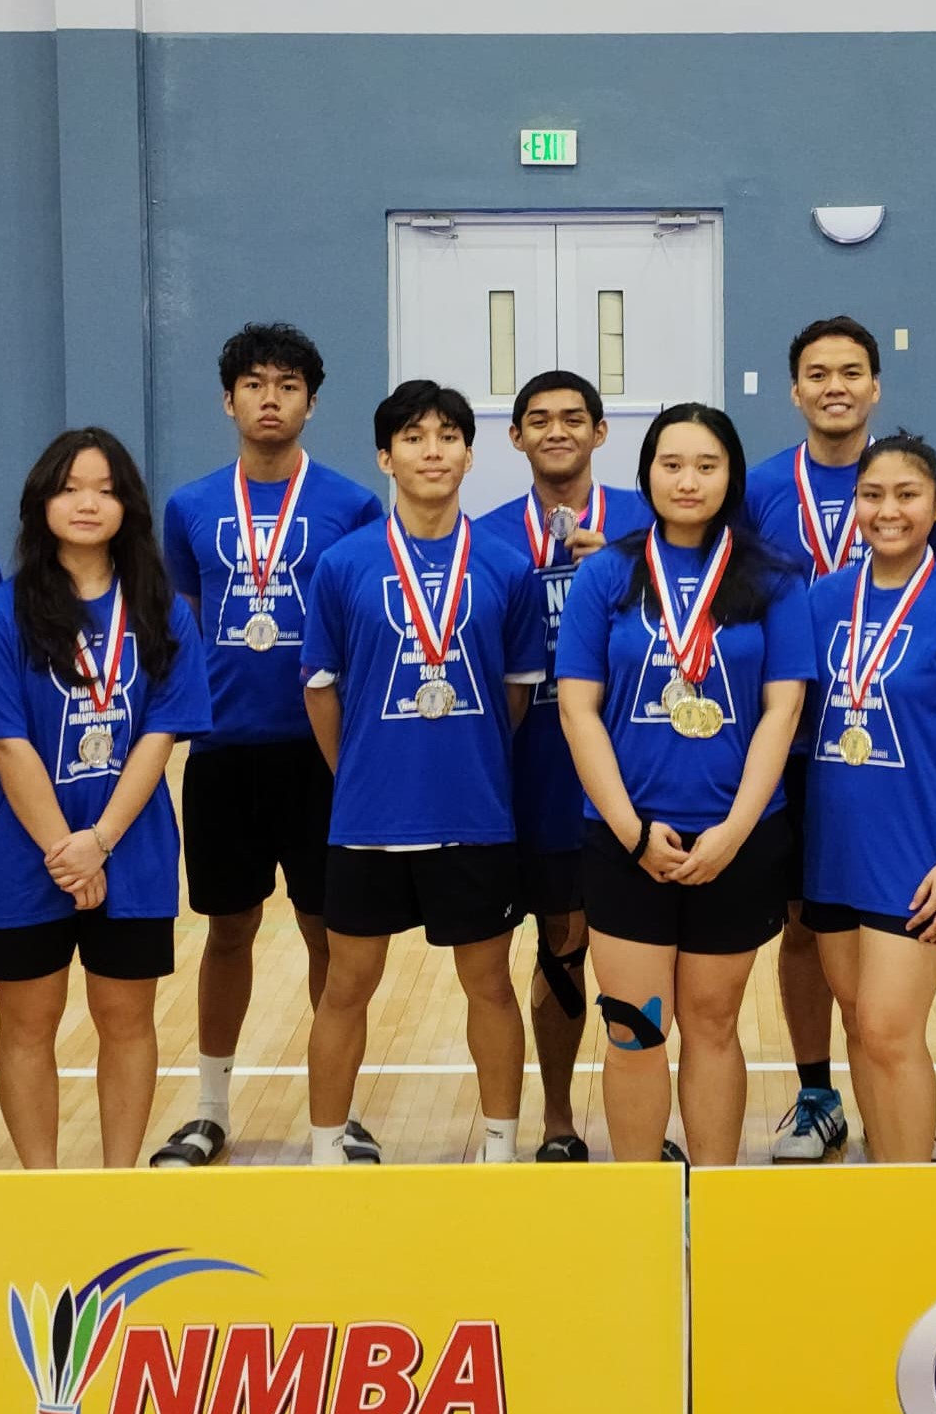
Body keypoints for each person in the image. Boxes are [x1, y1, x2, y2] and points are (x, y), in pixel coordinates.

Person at [299, 380, 548, 1164]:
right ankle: (325, 1145)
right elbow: (321, 688)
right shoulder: (343, 565)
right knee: (346, 985)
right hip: (369, 818)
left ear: (470, 455)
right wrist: (364, 771)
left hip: (474, 813)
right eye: (413, 436)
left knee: (490, 986)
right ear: (385, 456)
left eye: (448, 436)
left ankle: (501, 1146)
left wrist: (461, 759)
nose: (432, 449)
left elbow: (516, 691)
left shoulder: (506, 567)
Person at [553, 404, 807, 1167]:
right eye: (671, 464)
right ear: (648, 474)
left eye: (707, 465)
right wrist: (631, 830)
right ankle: (641, 1201)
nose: (688, 480)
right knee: (634, 1025)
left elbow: (782, 708)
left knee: (712, 1024)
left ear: (731, 475)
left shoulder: (772, 578)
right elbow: (577, 708)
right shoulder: (606, 573)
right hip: (626, 840)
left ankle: (714, 1198)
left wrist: (733, 830)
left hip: (738, 840)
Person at [158, 322, 382, 1163]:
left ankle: (340, 1111)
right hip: (222, 752)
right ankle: (211, 1106)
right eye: (254, 383)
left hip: (321, 755)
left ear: (312, 402)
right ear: (228, 399)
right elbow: (185, 614)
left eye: (287, 384)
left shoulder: (352, 505)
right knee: (227, 930)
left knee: (332, 934)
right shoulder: (190, 506)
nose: (270, 398)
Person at [0, 429, 211, 1169]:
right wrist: (64, 851)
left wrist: (98, 840)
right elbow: (7, 744)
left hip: (129, 849)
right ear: (41, 501)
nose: (87, 502)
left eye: (105, 489)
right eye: (70, 487)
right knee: (27, 1023)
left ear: (128, 506)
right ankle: (45, 1184)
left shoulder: (164, 613)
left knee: (126, 1020)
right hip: (23, 856)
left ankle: (116, 1185)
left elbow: (161, 736)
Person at [742, 316, 936, 1162]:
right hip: (786, 742)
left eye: (852, 371)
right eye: (818, 372)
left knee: (887, 945)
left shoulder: (917, 486)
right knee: (804, 923)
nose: (835, 385)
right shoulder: (759, 487)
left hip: (887, 747)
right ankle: (816, 1091)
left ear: (876, 387)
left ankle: (892, 1097)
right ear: (795, 390)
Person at [794, 434, 936, 1165]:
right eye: (872, 495)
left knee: (890, 1029)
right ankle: (886, 1185)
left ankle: (913, 1189)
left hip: (919, 856)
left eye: (907, 494)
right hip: (833, 853)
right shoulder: (821, 601)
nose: (888, 510)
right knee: (861, 1026)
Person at [472, 370, 645, 1158]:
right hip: (536, 775)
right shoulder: (486, 536)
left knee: (642, 958)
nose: (557, 431)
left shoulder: (647, 526)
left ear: (601, 432)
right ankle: (558, 1118)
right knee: (559, 945)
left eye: (574, 418)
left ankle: (642, 1124)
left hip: (639, 773)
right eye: (538, 420)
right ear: (516, 438)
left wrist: (622, 568)